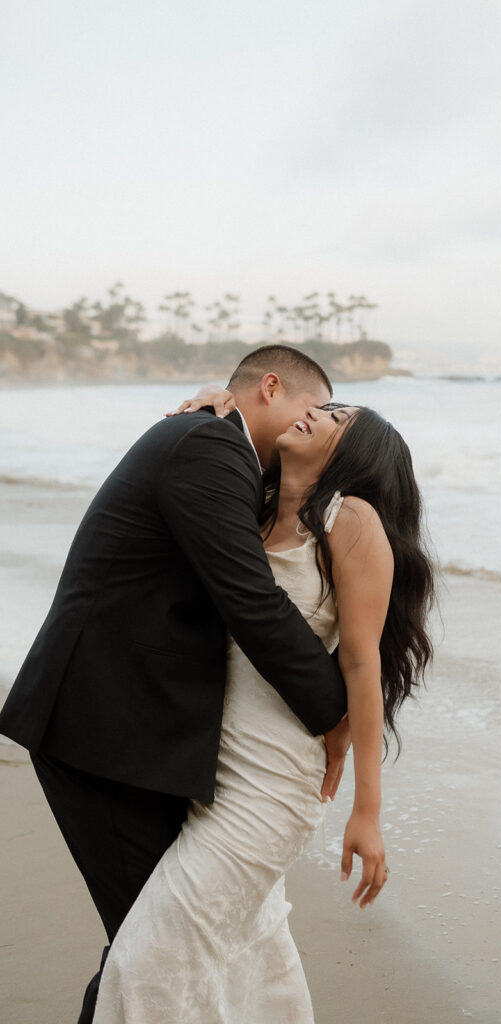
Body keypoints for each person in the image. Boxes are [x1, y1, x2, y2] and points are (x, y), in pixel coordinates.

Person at [0, 346, 353, 1024]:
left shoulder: (215, 446)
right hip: (102, 729)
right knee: (150, 951)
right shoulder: (206, 446)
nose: (318, 432)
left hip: (136, 729)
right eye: (311, 412)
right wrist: (337, 714)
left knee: (162, 947)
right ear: (269, 388)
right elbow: (250, 600)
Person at [90, 382, 435, 1022]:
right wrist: (217, 401)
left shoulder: (351, 520)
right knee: (252, 956)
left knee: (146, 963)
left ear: (352, 454)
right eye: (318, 404)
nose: (311, 411)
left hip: (272, 785)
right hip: (209, 772)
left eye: (333, 416)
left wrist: (368, 811)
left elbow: (363, 663)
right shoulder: (256, 507)